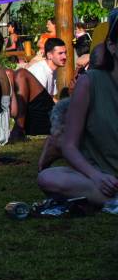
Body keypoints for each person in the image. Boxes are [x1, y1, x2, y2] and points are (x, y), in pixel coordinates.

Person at [36, 16, 118, 211]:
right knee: (48, 178)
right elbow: (69, 146)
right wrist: (96, 176)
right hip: (101, 177)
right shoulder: (89, 83)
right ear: (112, 46)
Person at [12, 37, 66, 137]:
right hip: (34, 114)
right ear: (49, 55)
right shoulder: (40, 70)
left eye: (65, 53)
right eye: (60, 53)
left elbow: (49, 97)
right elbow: (35, 99)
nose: (65, 56)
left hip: (42, 113)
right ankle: (19, 129)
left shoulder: (53, 71)